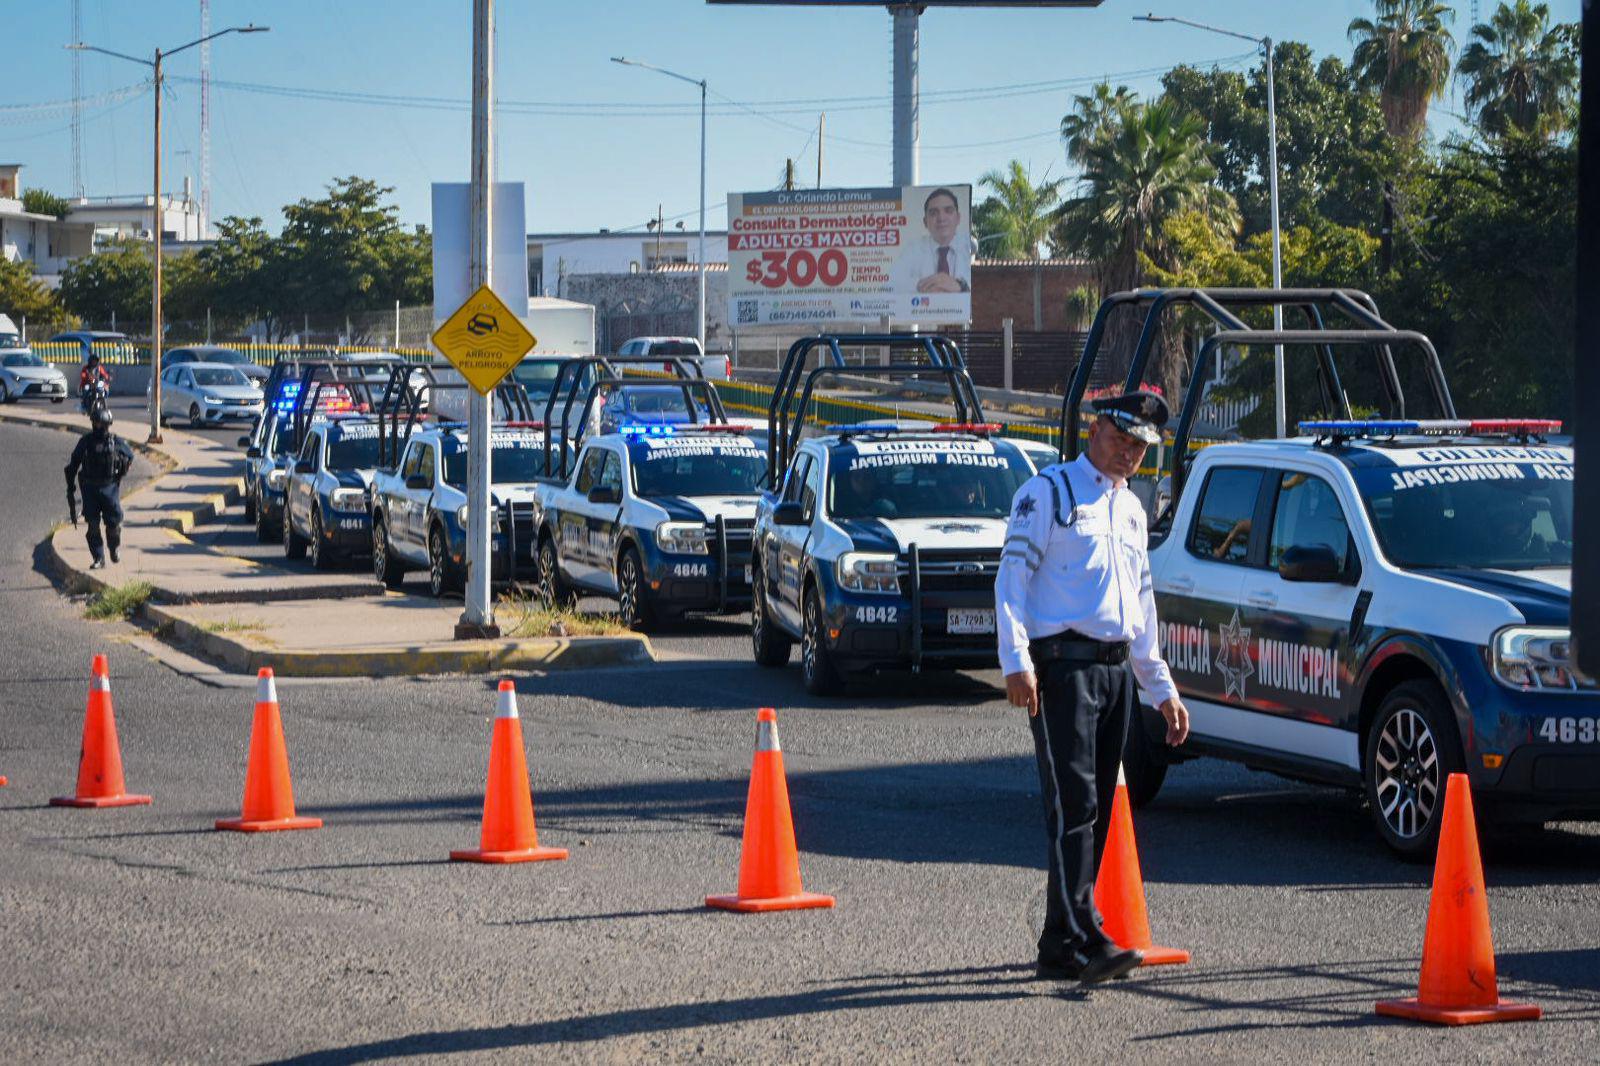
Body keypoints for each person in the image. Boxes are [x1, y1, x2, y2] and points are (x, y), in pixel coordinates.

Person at [994, 389, 1190, 984]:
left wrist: (1162, 687)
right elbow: (1011, 578)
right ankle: (1088, 934)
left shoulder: (1132, 509)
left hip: (1113, 672)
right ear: (1094, 428)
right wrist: (1014, 659)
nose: (1129, 452)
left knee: (1097, 810)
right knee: (1072, 805)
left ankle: (1059, 943)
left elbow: (1142, 603)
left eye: (1139, 446)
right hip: (1062, 669)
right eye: (1121, 438)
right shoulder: (1048, 492)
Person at [65, 405, 134, 570]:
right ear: (93, 423)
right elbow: (73, 464)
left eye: (103, 425)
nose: (100, 427)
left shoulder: (115, 441)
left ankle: (114, 548)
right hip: (90, 489)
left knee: (113, 524)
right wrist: (70, 487)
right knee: (93, 526)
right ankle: (98, 558)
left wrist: (123, 467)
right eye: (97, 424)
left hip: (109, 488)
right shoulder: (86, 442)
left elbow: (130, 455)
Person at [890, 187, 973, 297]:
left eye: (948, 211)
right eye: (934, 213)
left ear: (958, 218)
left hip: (961, 313)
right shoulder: (913, 248)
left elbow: (980, 289)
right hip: (923, 312)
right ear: (925, 222)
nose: (941, 218)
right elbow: (890, 284)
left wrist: (961, 286)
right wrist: (930, 284)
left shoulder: (969, 246)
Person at [79, 350, 112, 414]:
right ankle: (84, 404)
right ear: (90, 361)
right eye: (93, 360)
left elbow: (104, 374)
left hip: (98, 382)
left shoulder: (99, 368)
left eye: (95, 360)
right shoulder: (86, 368)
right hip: (88, 383)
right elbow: (83, 375)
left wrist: (107, 377)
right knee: (86, 389)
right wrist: (85, 377)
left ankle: (103, 402)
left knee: (105, 389)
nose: (94, 362)